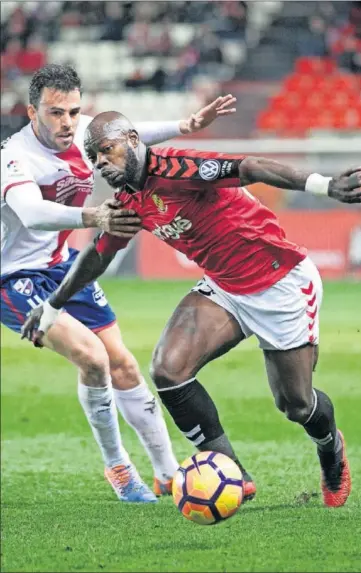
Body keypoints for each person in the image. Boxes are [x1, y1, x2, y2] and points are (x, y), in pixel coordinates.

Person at [21, 111, 361, 508]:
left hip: (280, 283)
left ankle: (330, 449)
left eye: (108, 149)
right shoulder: (127, 203)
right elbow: (96, 256)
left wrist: (324, 185)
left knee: (296, 404)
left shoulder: (177, 168)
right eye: (96, 158)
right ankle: (231, 474)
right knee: (167, 370)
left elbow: (250, 166)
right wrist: (52, 306)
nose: (103, 162)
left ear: (134, 140)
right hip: (224, 287)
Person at [0, 63, 240, 503]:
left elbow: (132, 135)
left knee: (125, 366)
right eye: (55, 113)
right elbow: (32, 212)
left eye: (73, 111)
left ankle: (169, 474)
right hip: (10, 278)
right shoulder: (14, 156)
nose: (67, 123)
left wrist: (185, 125)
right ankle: (119, 468)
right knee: (93, 359)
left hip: (58, 262)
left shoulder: (79, 131)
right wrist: (95, 216)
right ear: (32, 114)